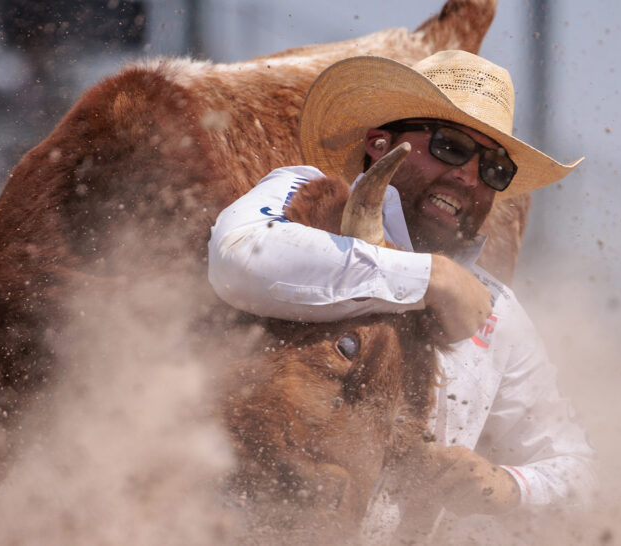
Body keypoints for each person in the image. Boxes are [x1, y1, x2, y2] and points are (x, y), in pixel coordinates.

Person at [207, 50, 594, 534]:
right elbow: (238, 258)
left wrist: (505, 484)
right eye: (450, 146)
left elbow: (576, 474)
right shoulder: (305, 196)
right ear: (379, 142)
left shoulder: (497, 313)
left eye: (495, 170)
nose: (469, 176)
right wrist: (433, 279)